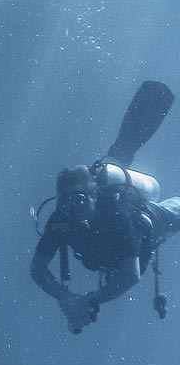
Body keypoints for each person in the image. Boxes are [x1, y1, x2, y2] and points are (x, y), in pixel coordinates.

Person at [29, 80, 178, 333]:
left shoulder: (115, 212)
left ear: (94, 195)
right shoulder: (60, 218)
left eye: (79, 201)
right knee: (117, 154)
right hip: (106, 250)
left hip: (152, 220)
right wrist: (64, 297)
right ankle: (119, 154)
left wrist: (89, 300)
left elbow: (131, 275)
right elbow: (37, 269)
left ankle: (121, 156)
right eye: (66, 203)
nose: (73, 209)